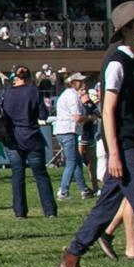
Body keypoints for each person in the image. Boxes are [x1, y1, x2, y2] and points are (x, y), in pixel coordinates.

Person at [58, 1, 134, 267]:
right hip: (123, 148)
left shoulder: (132, 59)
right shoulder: (116, 61)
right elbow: (107, 110)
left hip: (129, 144)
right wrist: (114, 154)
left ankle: (71, 260)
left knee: (105, 209)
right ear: (128, 27)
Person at [0, 66, 56, 218]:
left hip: (13, 138)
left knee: (17, 175)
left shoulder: (6, 93)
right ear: (29, 77)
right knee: (41, 175)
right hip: (31, 136)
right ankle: (49, 210)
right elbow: (43, 115)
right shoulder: (33, 91)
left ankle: (20, 211)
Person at [54, 72, 93, 200]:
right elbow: (77, 117)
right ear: (74, 83)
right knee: (71, 162)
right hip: (68, 130)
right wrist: (89, 118)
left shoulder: (68, 95)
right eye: (81, 82)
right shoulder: (72, 96)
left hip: (63, 130)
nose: (84, 84)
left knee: (77, 161)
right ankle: (63, 190)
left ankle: (84, 189)